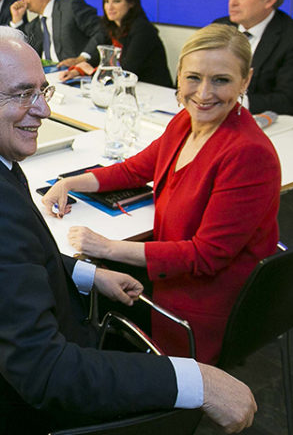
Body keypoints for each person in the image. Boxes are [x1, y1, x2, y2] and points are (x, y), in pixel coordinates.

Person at [0, 24, 257, 435]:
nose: (44, 110)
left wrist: (89, 273)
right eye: (22, 94)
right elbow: (46, 373)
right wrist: (198, 381)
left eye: (41, 91)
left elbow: (14, 254)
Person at [44, 24, 280, 364]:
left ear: (245, 81)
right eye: (193, 78)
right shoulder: (186, 121)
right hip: (173, 270)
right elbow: (134, 170)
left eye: (221, 80)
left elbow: (205, 256)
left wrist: (108, 247)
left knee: (71, 293)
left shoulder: (248, 154)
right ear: (179, 75)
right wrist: (68, 183)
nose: (204, 93)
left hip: (198, 305)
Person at [59, 0, 171, 87]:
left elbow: (126, 71)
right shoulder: (111, 27)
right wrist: (77, 71)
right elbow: (97, 58)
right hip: (129, 88)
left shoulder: (143, 30)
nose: (109, 7)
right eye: (106, 1)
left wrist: (91, 71)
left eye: (117, 1)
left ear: (131, 3)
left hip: (155, 90)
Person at [9, 0, 103, 67]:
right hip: (44, 73)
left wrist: (81, 59)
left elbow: (100, 32)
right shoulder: (33, 25)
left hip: (72, 72)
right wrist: (17, 19)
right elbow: (23, 51)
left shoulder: (70, 7)